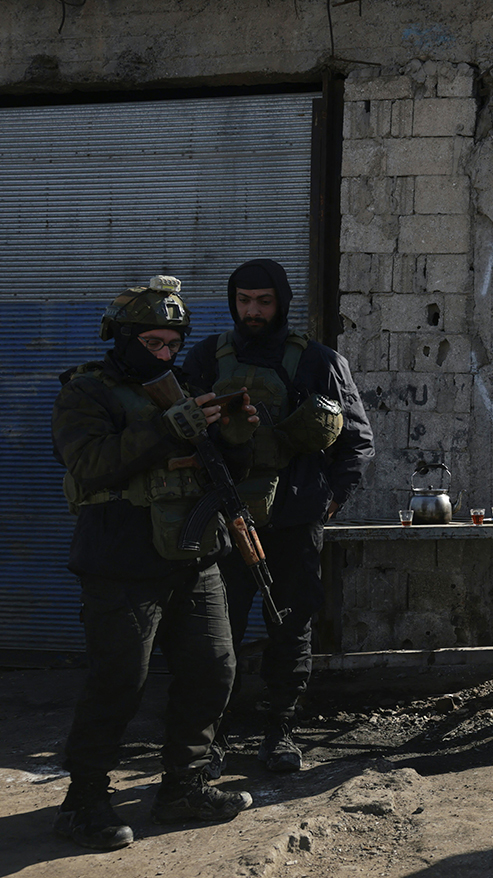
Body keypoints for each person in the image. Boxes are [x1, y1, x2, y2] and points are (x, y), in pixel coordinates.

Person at [52, 276, 256, 850]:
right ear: (121, 338)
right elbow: (89, 463)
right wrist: (164, 427)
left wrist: (236, 436)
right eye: (152, 344)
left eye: (172, 343)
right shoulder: (86, 393)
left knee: (214, 669)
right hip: (120, 560)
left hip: (192, 557)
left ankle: (183, 788)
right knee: (119, 682)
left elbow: (220, 468)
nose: (165, 354)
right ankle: (83, 802)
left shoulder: (187, 387)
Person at [183, 259, 375, 775]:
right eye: (244, 301)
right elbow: (176, 435)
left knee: (291, 629)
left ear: (281, 303)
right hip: (222, 522)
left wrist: (327, 500)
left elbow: (356, 441)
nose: (252, 311)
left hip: (292, 525)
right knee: (213, 634)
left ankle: (280, 731)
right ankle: (209, 740)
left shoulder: (319, 361)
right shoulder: (205, 358)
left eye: (263, 302)